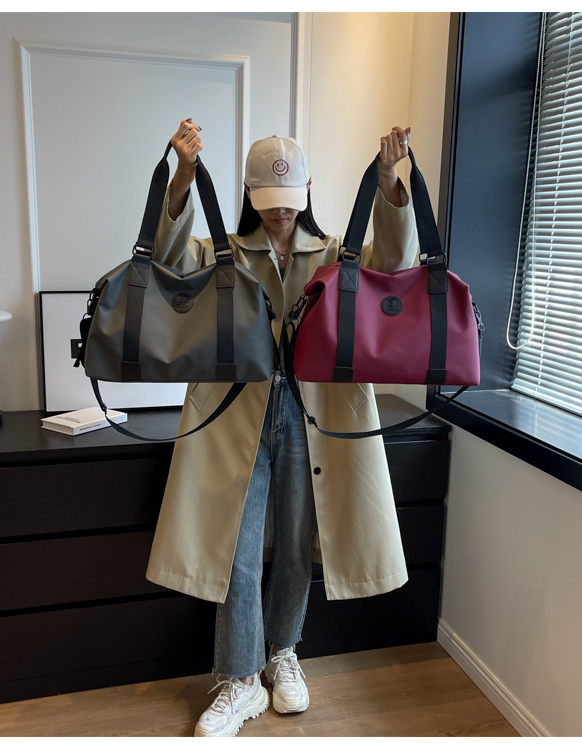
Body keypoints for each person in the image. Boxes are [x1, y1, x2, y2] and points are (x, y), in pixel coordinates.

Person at [146, 119, 419, 737]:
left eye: (290, 200)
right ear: (248, 194)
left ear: (308, 191)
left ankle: (282, 652)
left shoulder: (336, 251)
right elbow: (166, 262)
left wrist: (388, 181)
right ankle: (240, 678)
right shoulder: (220, 249)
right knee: (236, 547)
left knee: (297, 542)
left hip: (313, 412)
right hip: (234, 413)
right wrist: (183, 177)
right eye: (268, 202)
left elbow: (396, 267)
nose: (280, 213)